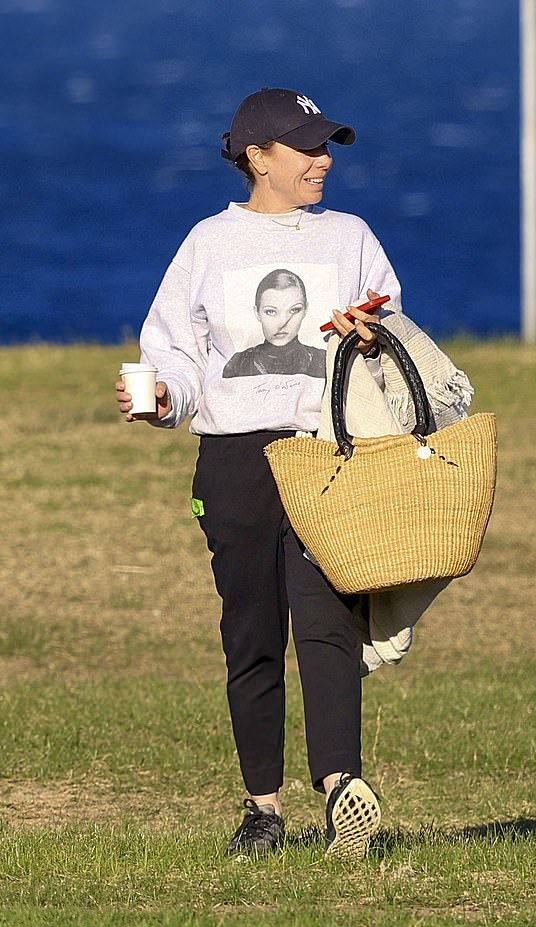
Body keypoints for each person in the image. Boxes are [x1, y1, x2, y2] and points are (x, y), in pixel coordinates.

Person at [116, 87, 405, 860]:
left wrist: (370, 333)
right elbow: (172, 347)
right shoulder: (209, 244)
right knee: (250, 633)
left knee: (327, 622)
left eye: (326, 145)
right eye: (306, 147)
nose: (323, 159)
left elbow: (390, 320)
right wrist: (165, 396)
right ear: (258, 158)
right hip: (236, 458)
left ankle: (344, 788)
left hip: (326, 451)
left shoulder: (350, 236)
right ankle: (263, 808)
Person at [222, 268, 325, 378]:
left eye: (294, 310)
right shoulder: (238, 365)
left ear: (305, 310)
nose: (282, 323)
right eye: (271, 311)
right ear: (257, 313)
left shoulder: (322, 360)